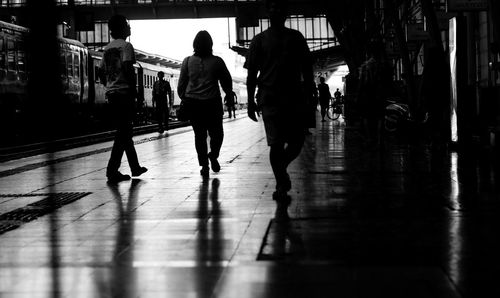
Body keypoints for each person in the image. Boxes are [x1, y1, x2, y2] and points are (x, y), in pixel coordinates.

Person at [245, 0, 315, 201]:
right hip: (270, 99)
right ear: (267, 12)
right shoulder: (258, 41)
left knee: (297, 142)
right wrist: (250, 101)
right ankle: (281, 184)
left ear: (286, 13)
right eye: (272, 7)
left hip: (294, 98)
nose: (275, 10)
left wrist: (310, 96)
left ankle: (281, 170)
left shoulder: (296, 38)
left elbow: (307, 70)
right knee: (276, 144)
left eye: (279, 7)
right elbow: (251, 75)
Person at [177, 30, 235, 178]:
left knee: (200, 136)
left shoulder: (187, 61)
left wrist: (186, 99)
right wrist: (228, 95)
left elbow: (181, 85)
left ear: (194, 45)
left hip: (194, 104)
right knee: (217, 134)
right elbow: (226, 82)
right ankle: (213, 155)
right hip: (212, 104)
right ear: (211, 44)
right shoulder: (217, 61)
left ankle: (204, 165)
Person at [98, 14, 147, 183]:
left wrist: (109, 84)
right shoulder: (126, 46)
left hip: (112, 94)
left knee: (123, 132)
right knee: (124, 132)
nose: (130, 28)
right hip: (124, 94)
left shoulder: (107, 48)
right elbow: (128, 68)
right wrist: (134, 92)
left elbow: (100, 71)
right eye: (127, 25)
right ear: (122, 28)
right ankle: (118, 170)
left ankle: (127, 168)